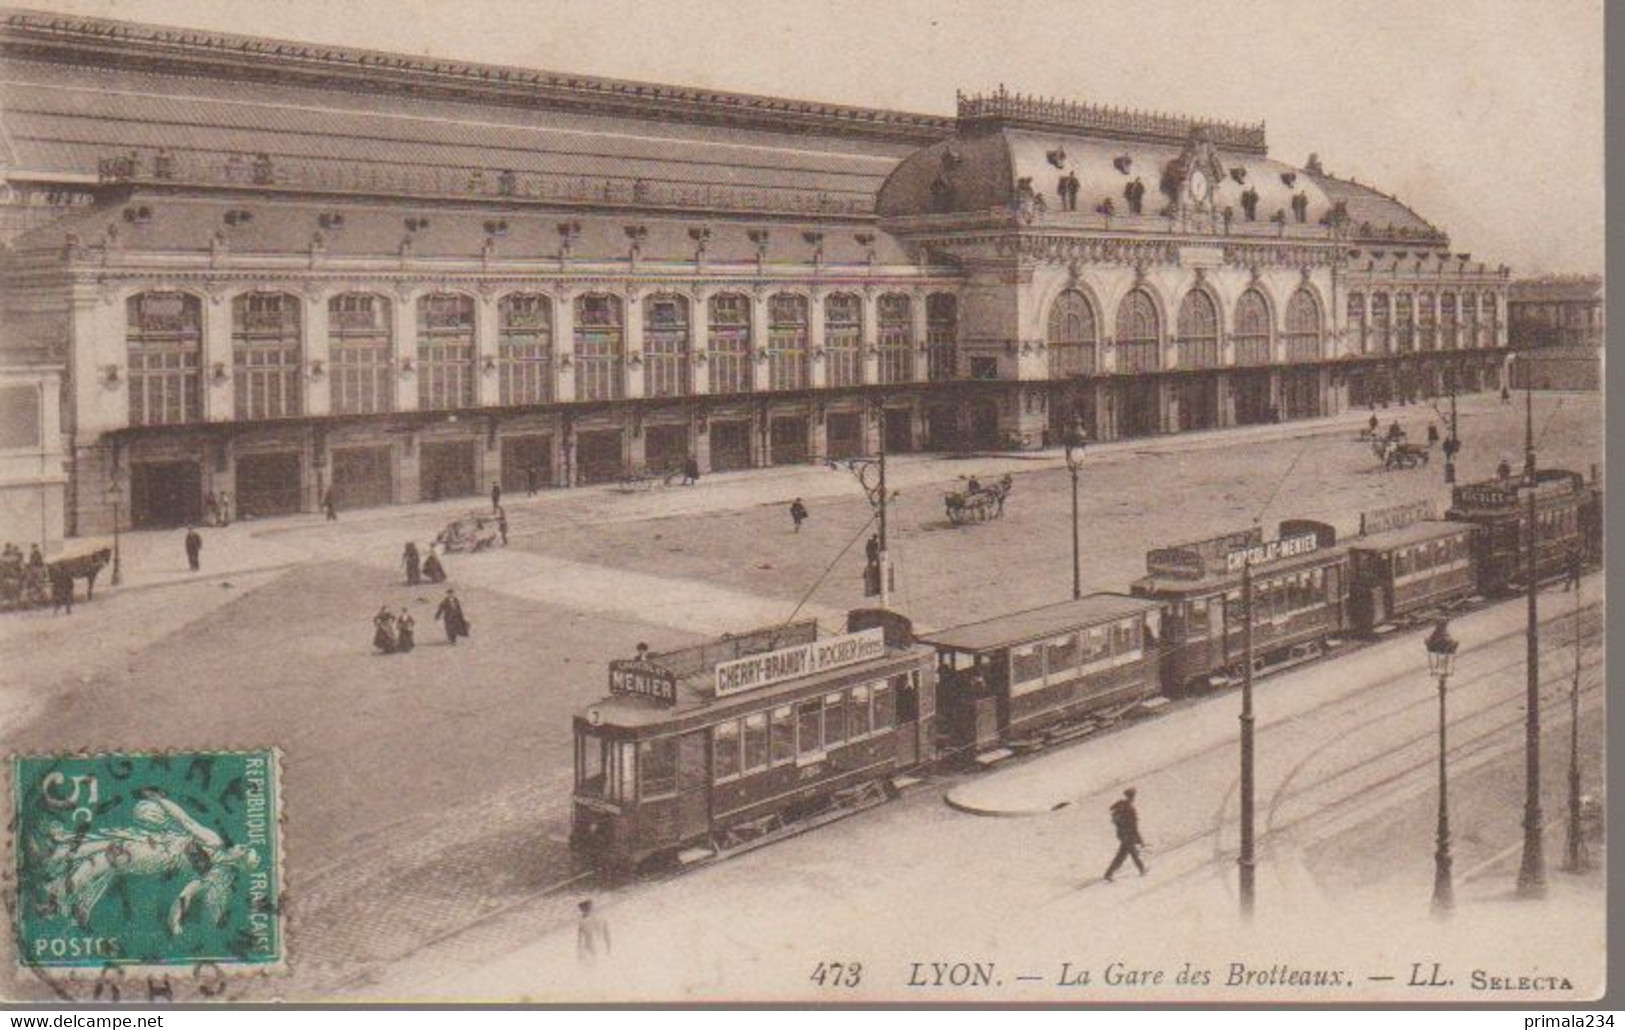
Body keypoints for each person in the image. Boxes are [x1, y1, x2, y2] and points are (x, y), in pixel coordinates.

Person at [1103, 787, 1147, 882]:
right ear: (1132, 797)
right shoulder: (1131, 809)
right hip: (1129, 835)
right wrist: (1140, 840)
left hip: (1121, 834)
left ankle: (1108, 873)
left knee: (1122, 855)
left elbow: (1111, 809)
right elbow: (1134, 826)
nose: (1134, 798)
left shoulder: (1120, 804)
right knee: (1132, 853)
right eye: (1133, 796)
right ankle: (1142, 869)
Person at [577, 899, 611, 965]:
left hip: (590, 948)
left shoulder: (582, 921)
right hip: (601, 946)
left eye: (581, 908)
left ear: (583, 909)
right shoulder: (602, 918)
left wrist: (579, 953)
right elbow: (607, 935)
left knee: (592, 966)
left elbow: (580, 939)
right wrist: (609, 949)